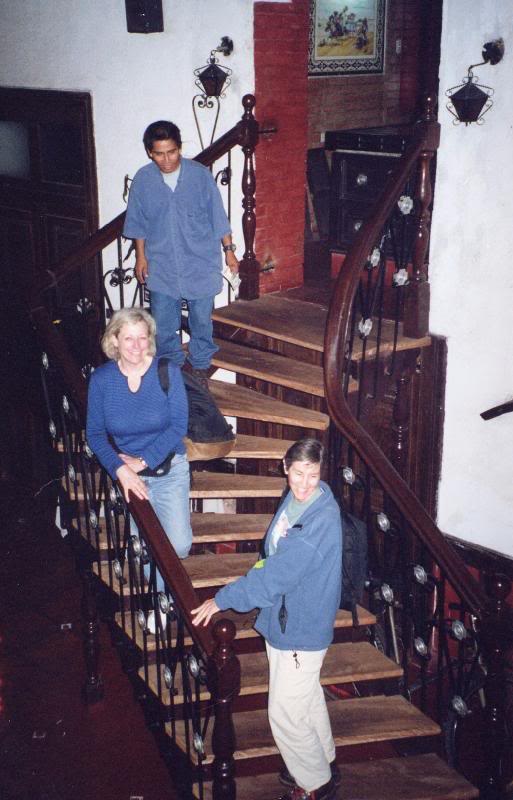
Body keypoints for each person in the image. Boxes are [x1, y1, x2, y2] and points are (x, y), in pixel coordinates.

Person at [192, 439, 343, 800]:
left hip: (300, 627)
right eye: (298, 473)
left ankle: (316, 785)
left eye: (313, 474)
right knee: (305, 698)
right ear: (285, 467)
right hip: (289, 616)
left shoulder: (318, 519)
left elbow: (275, 577)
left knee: (285, 712)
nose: (305, 483)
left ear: (320, 473)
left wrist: (222, 598)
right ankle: (323, 762)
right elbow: (272, 555)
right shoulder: (296, 500)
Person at [123, 119, 239, 388]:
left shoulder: (200, 176)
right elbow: (138, 223)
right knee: (164, 324)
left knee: (201, 320)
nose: (166, 160)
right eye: (159, 154)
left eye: (172, 152)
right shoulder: (143, 180)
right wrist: (141, 257)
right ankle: (171, 366)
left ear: (179, 148)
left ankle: (200, 363)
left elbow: (218, 217)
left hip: (200, 260)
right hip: (161, 263)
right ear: (150, 152)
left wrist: (229, 251)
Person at [86, 307, 192, 592]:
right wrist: (121, 469)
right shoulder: (102, 380)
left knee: (179, 545)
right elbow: (94, 434)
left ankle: (163, 598)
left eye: (142, 337)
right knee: (145, 545)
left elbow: (178, 426)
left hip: (169, 468)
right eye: (128, 338)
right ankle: (163, 601)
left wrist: (142, 461)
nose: (136, 345)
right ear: (114, 340)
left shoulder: (167, 371)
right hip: (129, 476)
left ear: (150, 339)